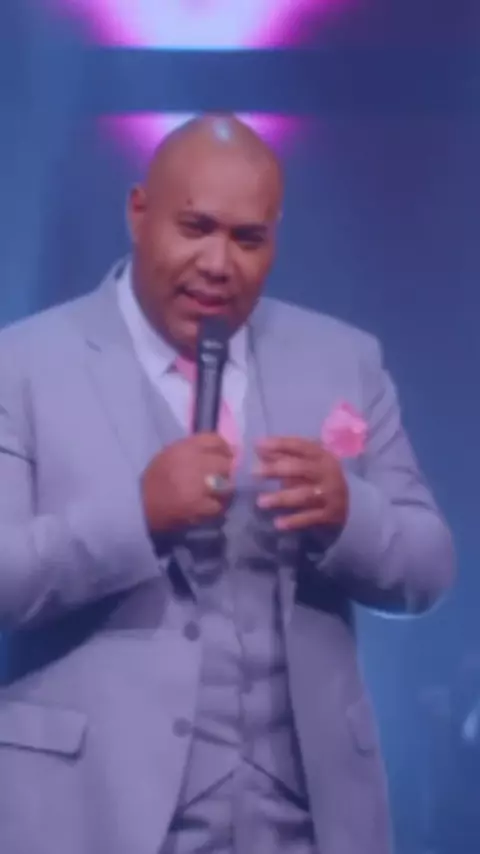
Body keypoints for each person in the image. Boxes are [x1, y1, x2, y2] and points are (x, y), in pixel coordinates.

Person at [0, 114, 454, 854]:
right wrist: (137, 516)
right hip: (93, 812)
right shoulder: (20, 365)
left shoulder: (343, 359)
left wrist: (349, 515)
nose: (218, 263)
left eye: (248, 239)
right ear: (138, 213)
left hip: (306, 819)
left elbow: (429, 569)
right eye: (196, 228)